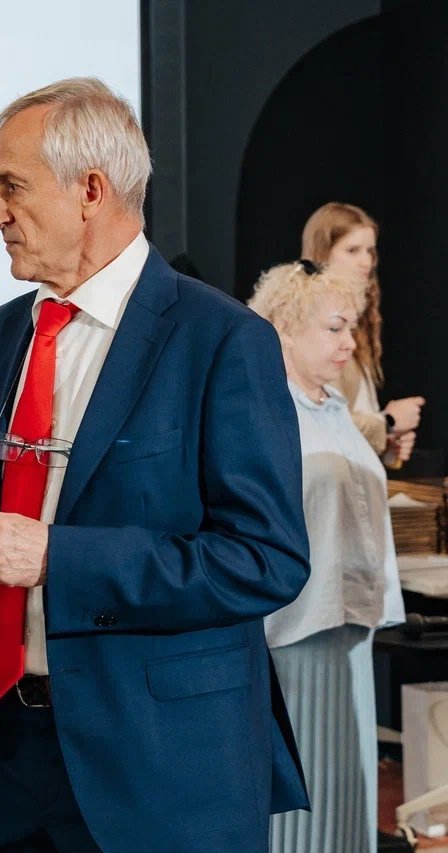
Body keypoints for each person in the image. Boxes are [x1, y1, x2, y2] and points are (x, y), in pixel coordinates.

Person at [0, 77, 311, 851]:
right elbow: (8, 523)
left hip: (161, 769)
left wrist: (60, 557)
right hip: (4, 758)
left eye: (11, 187)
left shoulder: (221, 340)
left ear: (90, 190)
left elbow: (265, 559)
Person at [249, 260, 407, 853]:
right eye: (335, 329)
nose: (349, 344)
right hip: (295, 627)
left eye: (352, 329)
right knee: (303, 789)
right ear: (286, 329)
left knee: (350, 786)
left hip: (350, 624)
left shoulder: (335, 408)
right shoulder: (267, 411)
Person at [301, 202, 424, 463]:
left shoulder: (356, 321)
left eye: (370, 251)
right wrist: (387, 422)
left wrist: (385, 446)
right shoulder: (310, 318)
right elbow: (316, 417)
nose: (366, 261)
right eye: (352, 250)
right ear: (322, 253)